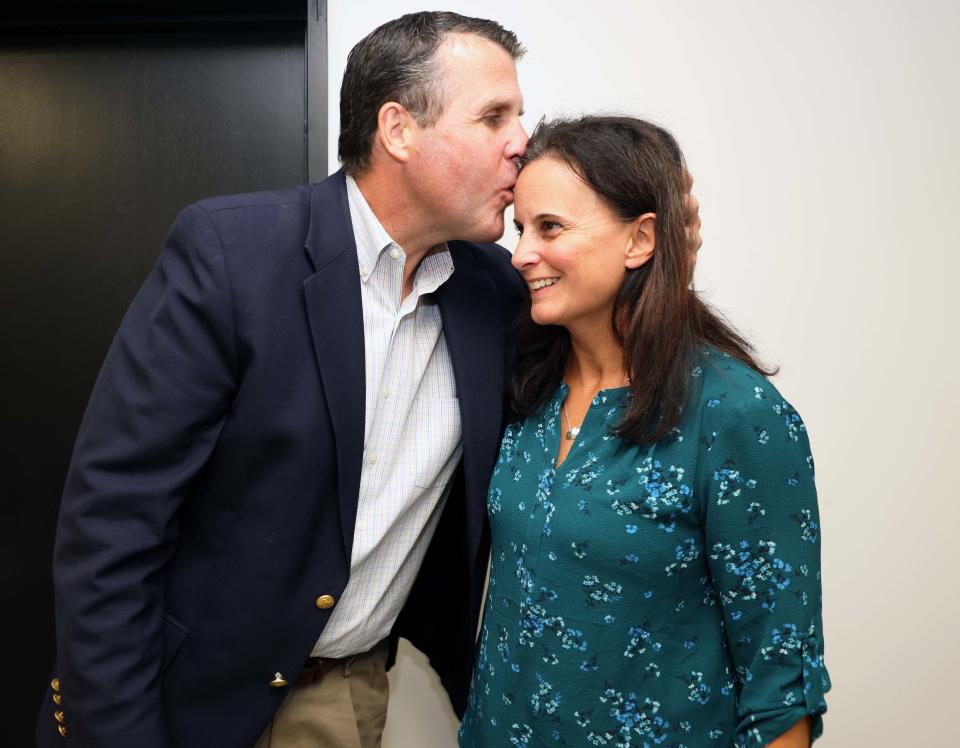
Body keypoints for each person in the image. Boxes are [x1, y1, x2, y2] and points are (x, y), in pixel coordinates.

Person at [36, 13, 702, 748]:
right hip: (176, 695)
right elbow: (112, 522)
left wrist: (659, 251)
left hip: (345, 697)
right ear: (398, 130)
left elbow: (609, 348)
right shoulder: (233, 254)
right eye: (493, 117)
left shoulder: (499, 295)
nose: (522, 141)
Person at [458, 116, 830, 748]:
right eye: (521, 228)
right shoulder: (526, 388)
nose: (521, 253)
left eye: (550, 227)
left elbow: (781, 681)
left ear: (641, 239)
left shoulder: (734, 415)